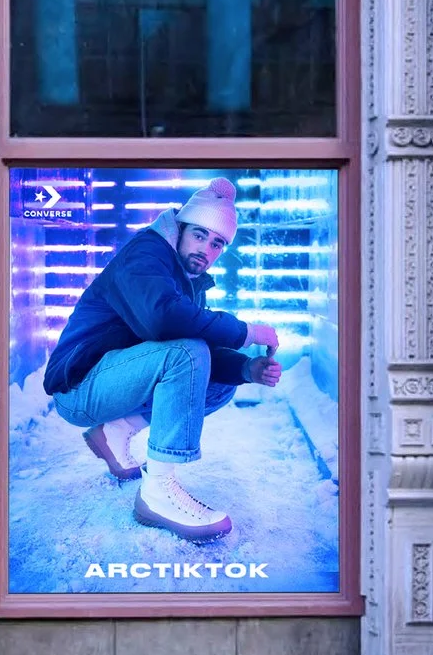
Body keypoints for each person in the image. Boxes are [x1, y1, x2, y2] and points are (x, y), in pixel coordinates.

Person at [42, 178, 285, 542]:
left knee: (218, 385)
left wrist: (246, 367)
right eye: (200, 235)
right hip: (80, 386)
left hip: (116, 378)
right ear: (181, 227)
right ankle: (157, 492)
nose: (207, 249)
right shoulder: (147, 254)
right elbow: (163, 319)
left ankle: (115, 431)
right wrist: (248, 332)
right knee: (187, 354)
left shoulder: (189, 279)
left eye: (218, 243)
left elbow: (197, 344)